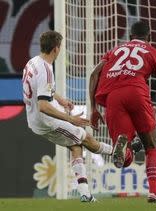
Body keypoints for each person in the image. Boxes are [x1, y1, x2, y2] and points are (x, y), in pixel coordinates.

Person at [22, 31, 113, 202]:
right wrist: (70, 119)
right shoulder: (46, 70)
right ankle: (117, 153)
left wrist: (61, 100)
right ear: (56, 49)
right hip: (46, 121)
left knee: (74, 144)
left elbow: (42, 90)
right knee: (84, 137)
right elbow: (43, 106)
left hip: (34, 117)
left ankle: (85, 193)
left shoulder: (32, 62)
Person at [89, 20, 156, 203]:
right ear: (149, 37)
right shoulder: (152, 52)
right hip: (137, 92)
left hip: (113, 98)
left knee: (124, 161)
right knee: (150, 146)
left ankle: (125, 147)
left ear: (130, 37)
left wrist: (93, 108)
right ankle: (154, 192)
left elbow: (94, 74)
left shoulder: (114, 51)